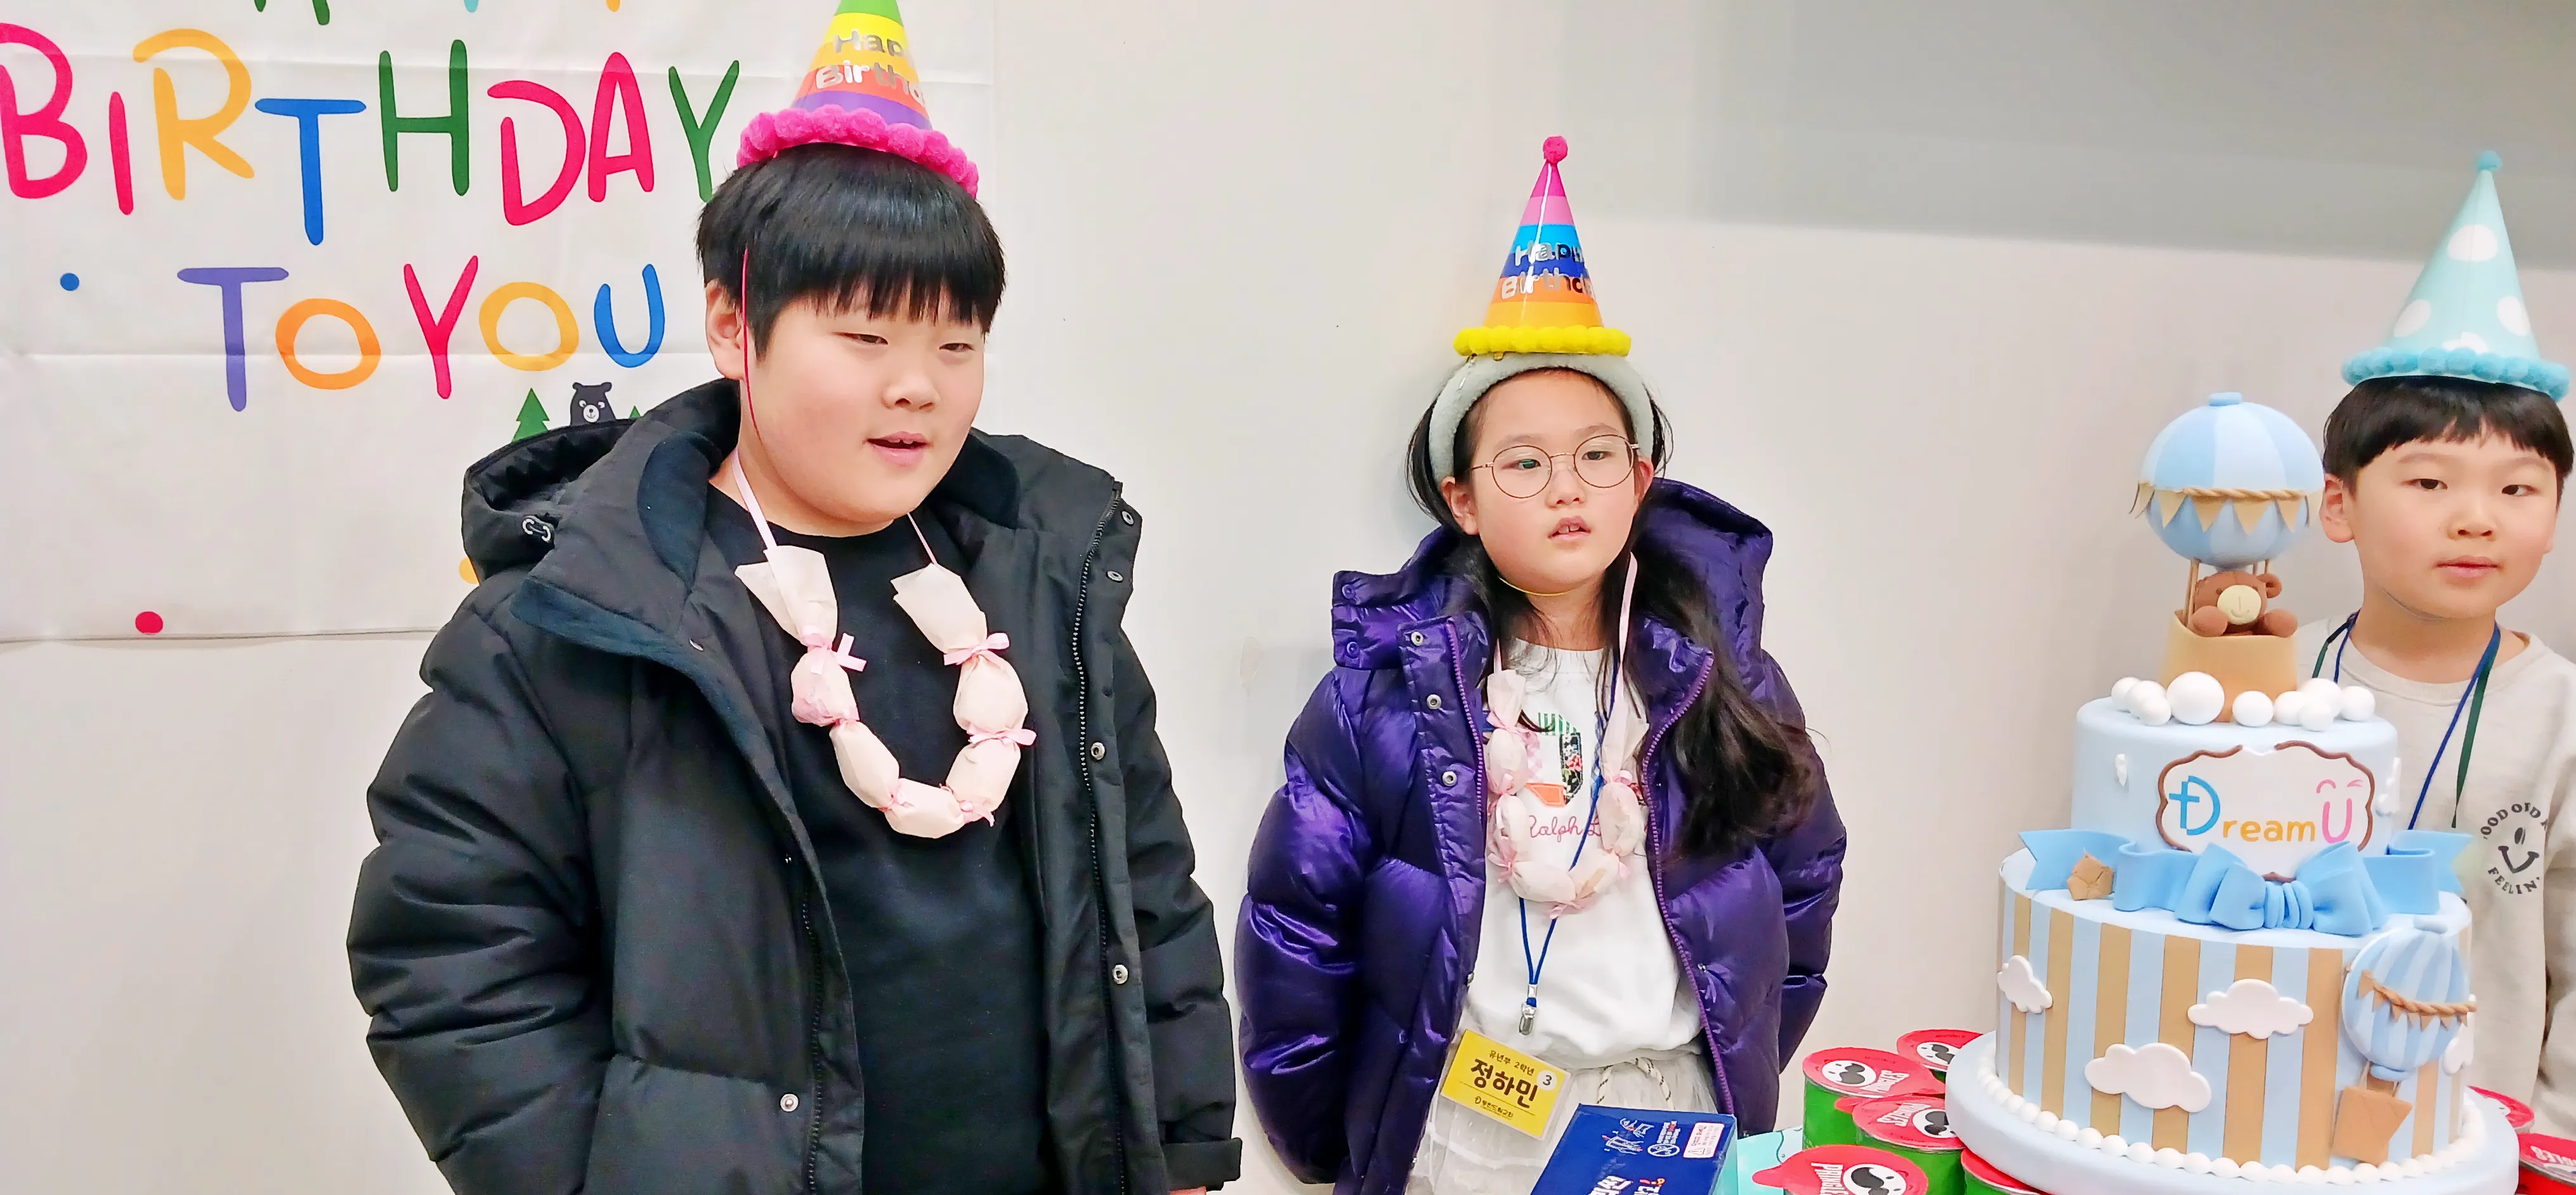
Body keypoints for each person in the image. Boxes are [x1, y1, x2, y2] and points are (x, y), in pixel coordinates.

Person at [346, 7, 1239, 1192]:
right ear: (734, 326)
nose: (917, 387)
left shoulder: (1040, 575)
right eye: (863, 336)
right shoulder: (573, 618)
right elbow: (453, 960)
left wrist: (1181, 1145)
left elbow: (1145, 884)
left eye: (957, 345)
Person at [1235, 138, 1845, 1195]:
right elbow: (1297, 930)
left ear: (1640, 480)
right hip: (1468, 1126)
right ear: (1462, 500)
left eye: (1598, 455)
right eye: (1523, 462)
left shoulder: (1723, 680)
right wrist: (1334, 1145)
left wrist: (1737, 1061)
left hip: (1670, 1114)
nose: (1567, 486)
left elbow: (1801, 886)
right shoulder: (1384, 699)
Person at [2298, 153, 2576, 1139]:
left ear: (2554, 515)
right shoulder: (2279, 681)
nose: (2477, 518)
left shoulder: (2568, 719)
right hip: (2266, 1109)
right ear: (2338, 505)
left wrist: (2551, 1137)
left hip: (2482, 1137)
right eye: (2429, 483)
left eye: (2518, 489)